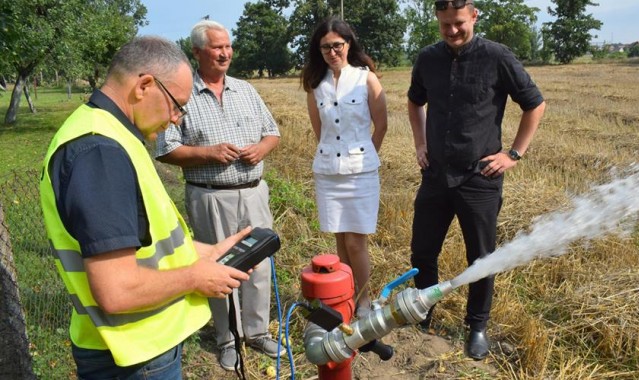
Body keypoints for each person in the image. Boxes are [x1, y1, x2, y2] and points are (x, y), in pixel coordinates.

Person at [39, 36, 252, 379]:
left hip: (141, 348)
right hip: (134, 357)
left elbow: (146, 244)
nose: (177, 119)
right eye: (177, 105)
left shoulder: (113, 134)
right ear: (144, 86)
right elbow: (116, 291)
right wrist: (196, 277)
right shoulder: (100, 153)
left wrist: (207, 254)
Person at [407, 0, 546, 361]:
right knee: (423, 251)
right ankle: (422, 311)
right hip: (435, 175)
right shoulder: (427, 59)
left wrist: (513, 154)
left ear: (474, 16)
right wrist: (420, 143)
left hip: (480, 177)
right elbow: (414, 101)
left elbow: (535, 103)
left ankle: (477, 326)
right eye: (444, 25)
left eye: (458, 23)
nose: (452, 31)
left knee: (482, 258)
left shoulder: (498, 57)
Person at [154, 20, 283, 370]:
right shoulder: (183, 94)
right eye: (216, 47)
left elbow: (272, 132)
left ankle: (256, 333)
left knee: (258, 262)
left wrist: (261, 149)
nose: (225, 53)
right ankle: (228, 338)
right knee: (218, 266)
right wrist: (208, 153)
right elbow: (165, 149)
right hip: (210, 196)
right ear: (197, 52)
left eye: (228, 46)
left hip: (254, 193)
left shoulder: (245, 89)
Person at [300, 16, 388, 317]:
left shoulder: (366, 79)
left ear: (348, 44)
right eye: (325, 47)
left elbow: (381, 125)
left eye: (337, 45)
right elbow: (319, 131)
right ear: (319, 50)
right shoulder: (316, 85)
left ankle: (364, 301)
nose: (332, 51)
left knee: (355, 241)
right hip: (329, 173)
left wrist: (362, 159)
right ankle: (344, 297)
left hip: (361, 173)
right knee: (339, 240)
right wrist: (336, 157)